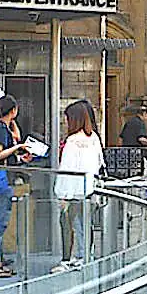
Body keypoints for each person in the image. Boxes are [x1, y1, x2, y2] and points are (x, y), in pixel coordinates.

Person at [0, 95, 33, 278]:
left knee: (0, 223)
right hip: (0, 183)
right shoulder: (0, 129)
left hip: (3, 181)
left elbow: (14, 140)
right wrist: (19, 146)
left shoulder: (2, 127)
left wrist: (18, 154)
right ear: (13, 110)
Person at [52, 101, 104, 273]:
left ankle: (68, 259)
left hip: (73, 192)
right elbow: (99, 163)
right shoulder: (94, 138)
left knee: (70, 225)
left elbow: (67, 169)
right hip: (89, 190)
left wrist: (62, 193)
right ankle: (84, 255)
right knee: (85, 225)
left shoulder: (73, 141)